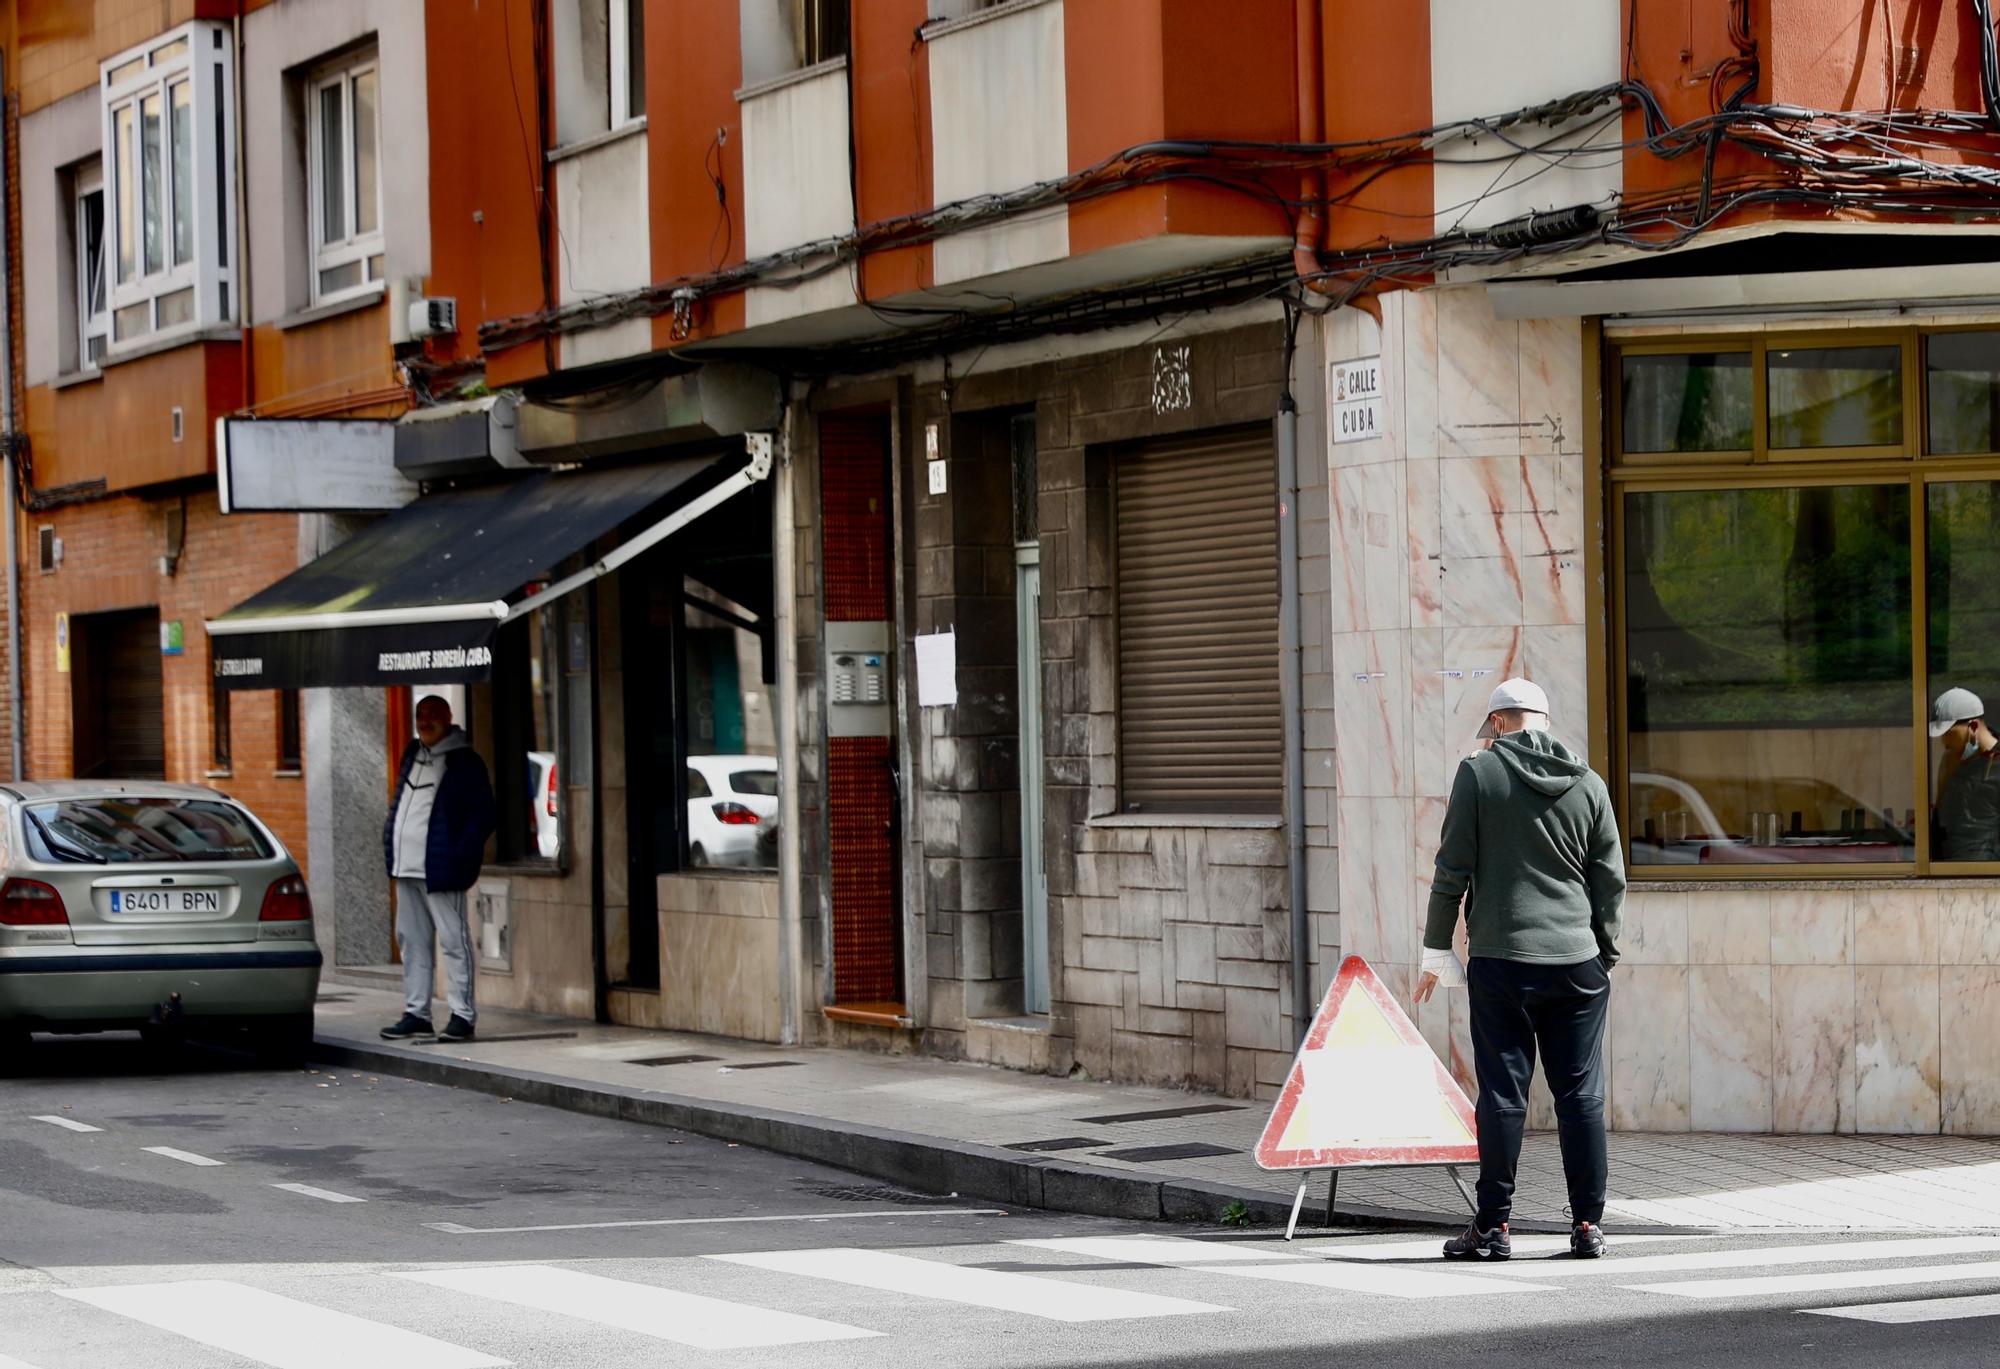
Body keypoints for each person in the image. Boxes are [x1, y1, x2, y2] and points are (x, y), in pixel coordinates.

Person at [1414, 677, 1625, 1262]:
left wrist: (1437, 952)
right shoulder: (1589, 783)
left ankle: (1494, 1227)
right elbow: (1610, 880)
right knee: (1581, 1097)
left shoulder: (1478, 775)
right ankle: (1587, 1225)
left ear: (1501, 723)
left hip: (1503, 963)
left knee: (1503, 1097)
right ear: (1545, 722)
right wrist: (1603, 955)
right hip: (1577, 964)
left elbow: (1450, 869)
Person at [380, 695, 495, 1044]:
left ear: (448, 717)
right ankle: (417, 1014)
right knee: (412, 943)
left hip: (443, 869)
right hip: (406, 867)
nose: (424, 721)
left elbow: (483, 814)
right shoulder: (412, 754)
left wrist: (462, 855)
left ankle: (462, 1015)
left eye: (432, 715)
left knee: (453, 941)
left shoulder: (465, 762)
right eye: (420, 715)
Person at [1931, 687, 2000, 862]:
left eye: (1948, 733)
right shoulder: (1950, 760)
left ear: (1974, 726)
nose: (1944, 741)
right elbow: (1939, 817)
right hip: (1947, 867)